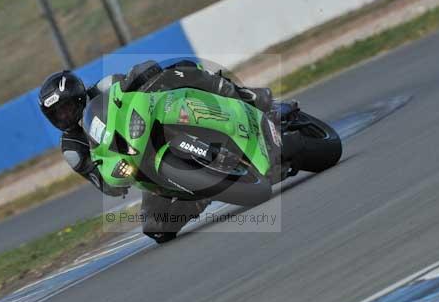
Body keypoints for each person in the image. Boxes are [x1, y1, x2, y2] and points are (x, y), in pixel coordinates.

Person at [38, 60, 275, 242]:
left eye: (67, 107)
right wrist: (117, 176)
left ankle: (243, 95)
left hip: (155, 123)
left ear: (78, 95)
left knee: (179, 69)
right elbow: (105, 185)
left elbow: (136, 83)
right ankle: (203, 195)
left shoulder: (103, 88)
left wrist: (144, 75)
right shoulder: (73, 149)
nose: (65, 116)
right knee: (155, 228)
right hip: (142, 165)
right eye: (57, 114)